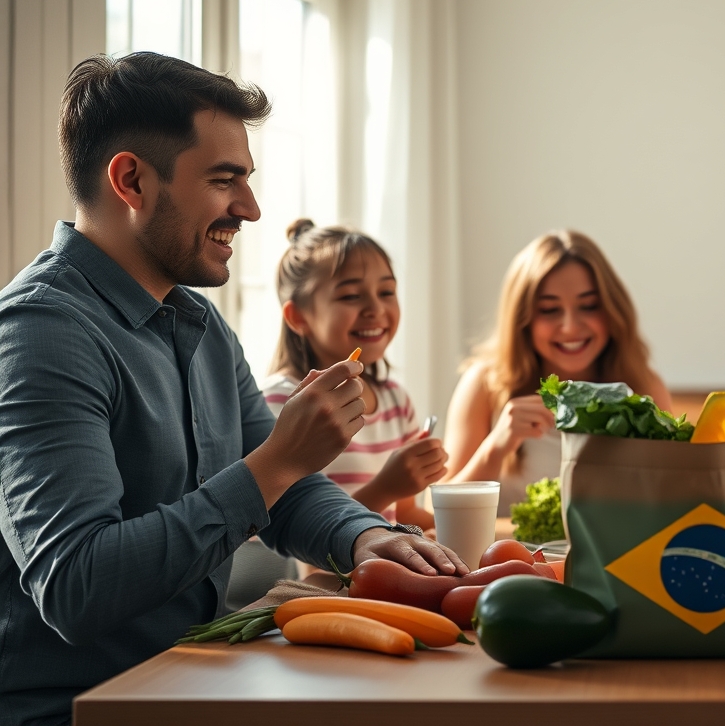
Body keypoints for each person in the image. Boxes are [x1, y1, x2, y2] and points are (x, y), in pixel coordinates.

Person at [0, 52, 465, 726]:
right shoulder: (41, 332)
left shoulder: (198, 323)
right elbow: (77, 586)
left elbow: (285, 493)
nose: (249, 208)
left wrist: (365, 538)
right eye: (225, 180)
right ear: (130, 179)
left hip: (187, 679)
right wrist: (277, 462)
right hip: (77, 712)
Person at [444, 230, 671, 516]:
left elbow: (670, 503)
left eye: (588, 306)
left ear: (613, 310)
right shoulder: (484, 384)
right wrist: (496, 447)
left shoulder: (643, 387)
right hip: (502, 559)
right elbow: (442, 512)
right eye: (550, 310)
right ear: (522, 318)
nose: (570, 327)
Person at [261, 219, 444, 530]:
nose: (375, 308)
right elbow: (294, 533)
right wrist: (385, 488)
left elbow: (405, 516)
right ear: (298, 317)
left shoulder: (396, 401)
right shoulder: (280, 403)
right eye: (350, 296)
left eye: (386, 291)